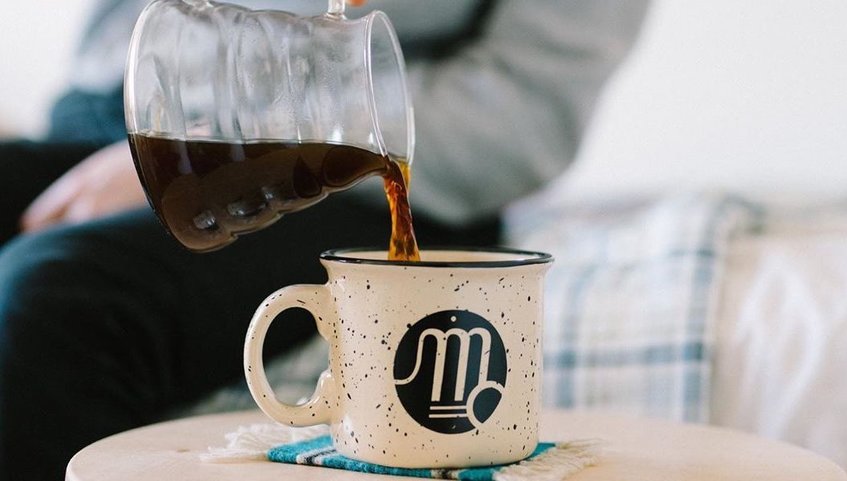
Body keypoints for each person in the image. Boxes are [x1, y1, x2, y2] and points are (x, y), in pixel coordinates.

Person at [0, 1, 648, 479]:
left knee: (48, 296)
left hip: (365, 162)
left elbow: (520, 116)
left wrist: (196, 145)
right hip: (116, 99)